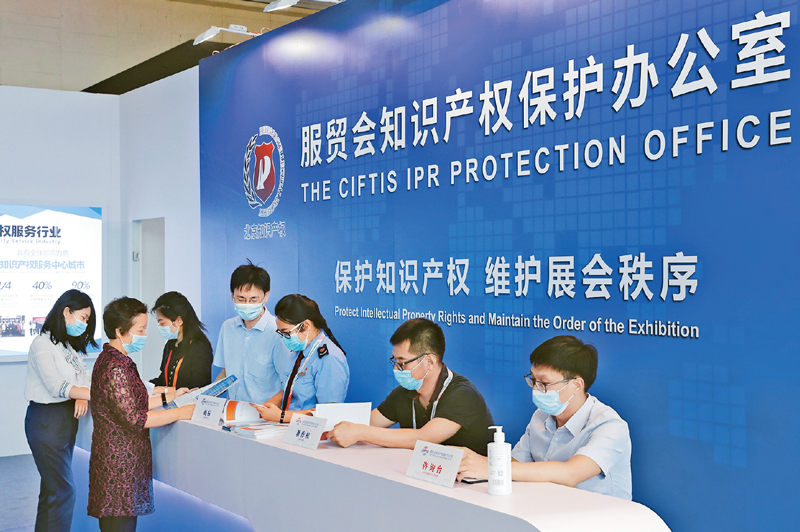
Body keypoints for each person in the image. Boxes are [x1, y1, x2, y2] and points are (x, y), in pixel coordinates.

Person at [457, 335, 632, 500]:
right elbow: (516, 463)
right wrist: (474, 462)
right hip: (547, 508)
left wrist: (492, 468)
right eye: (533, 380)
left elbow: (570, 474)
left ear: (576, 385)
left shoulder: (609, 425)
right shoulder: (541, 416)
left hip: (599, 516)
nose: (535, 389)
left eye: (544, 383)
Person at [88, 297, 195, 532]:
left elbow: (131, 402)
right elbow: (137, 418)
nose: (145, 335)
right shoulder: (115, 368)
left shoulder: (114, 360)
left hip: (118, 464)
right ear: (119, 331)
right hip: (118, 467)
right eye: (141, 330)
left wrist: (170, 397)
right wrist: (182, 412)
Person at [327, 318, 495, 454]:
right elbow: (368, 422)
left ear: (429, 361)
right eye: (395, 361)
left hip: (472, 481)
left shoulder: (463, 394)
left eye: (403, 362)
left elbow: (424, 438)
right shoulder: (404, 393)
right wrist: (321, 418)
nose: (396, 369)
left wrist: (361, 433)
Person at [24, 289, 97, 532]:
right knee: (64, 491)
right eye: (83, 317)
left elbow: (81, 375)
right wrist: (89, 394)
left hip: (65, 420)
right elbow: (56, 385)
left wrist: (81, 393)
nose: (84, 324)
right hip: (47, 420)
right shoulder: (42, 344)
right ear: (67, 312)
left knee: (51, 490)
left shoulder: (67, 346)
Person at [253, 294, 349, 423]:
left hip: (311, 430)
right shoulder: (300, 350)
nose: (284, 338)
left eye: (287, 333)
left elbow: (330, 412)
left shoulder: (329, 358)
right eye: (281, 333)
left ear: (306, 325)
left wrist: (282, 416)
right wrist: (271, 403)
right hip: (289, 425)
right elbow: (292, 388)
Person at [213, 261, 291, 403]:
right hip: (231, 411)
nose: (247, 305)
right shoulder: (228, 327)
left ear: (266, 296)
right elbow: (226, 372)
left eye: (254, 299)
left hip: (264, 414)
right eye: (241, 299)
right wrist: (205, 398)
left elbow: (288, 384)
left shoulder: (278, 332)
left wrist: (264, 410)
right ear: (232, 295)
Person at [149, 291, 213, 392]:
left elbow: (198, 387)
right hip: (171, 400)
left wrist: (168, 392)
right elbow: (164, 379)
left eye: (162, 323)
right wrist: (144, 386)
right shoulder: (170, 344)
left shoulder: (200, 347)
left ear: (179, 321)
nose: (160, 327)